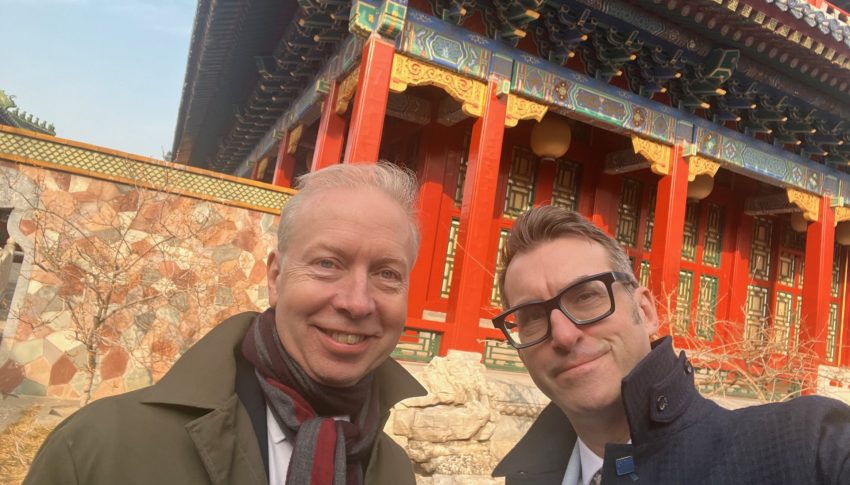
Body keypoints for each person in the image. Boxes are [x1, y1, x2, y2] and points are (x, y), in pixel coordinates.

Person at [25, 162, 426, 485]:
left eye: (387, 274)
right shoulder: (101, 447)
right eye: (327, 264)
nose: (357, 302)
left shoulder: (393, 471)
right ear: (275, 277)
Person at [491, 205, 850, 485]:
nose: (564, 336)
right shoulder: (525, 475)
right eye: (533, 317)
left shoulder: (802, 446)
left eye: (586, 296)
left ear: (645, 311)